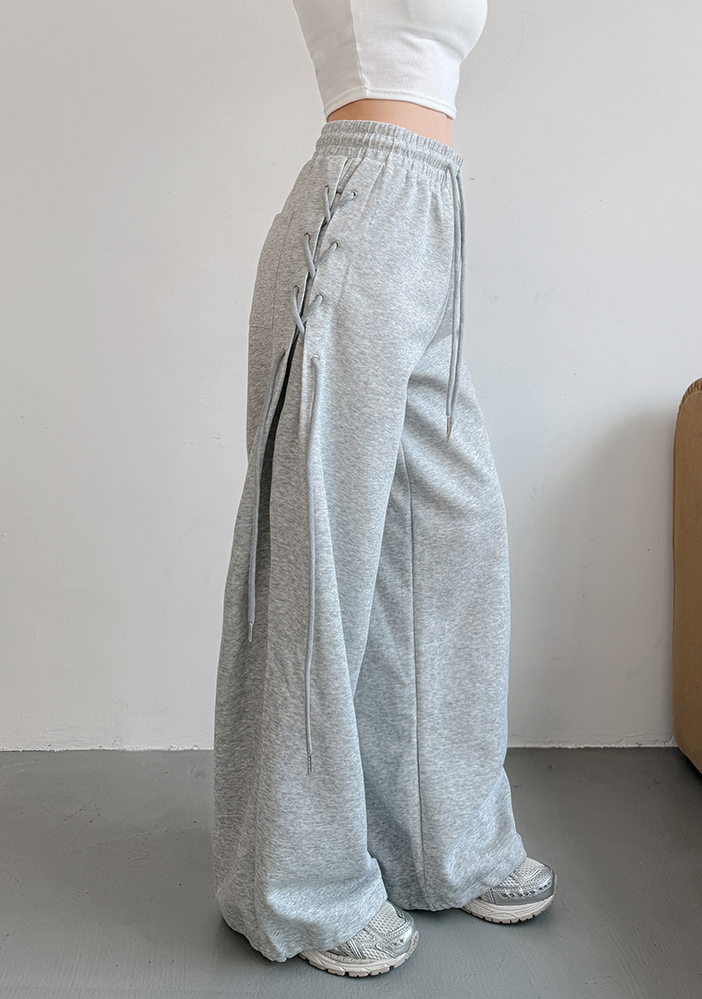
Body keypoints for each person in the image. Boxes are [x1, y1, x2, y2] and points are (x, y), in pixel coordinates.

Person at [212, 0, 556, 978]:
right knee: (318, 563)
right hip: (359, 204)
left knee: (453, 532)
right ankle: (299, 882)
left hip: (431, 212)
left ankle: (441, 843)